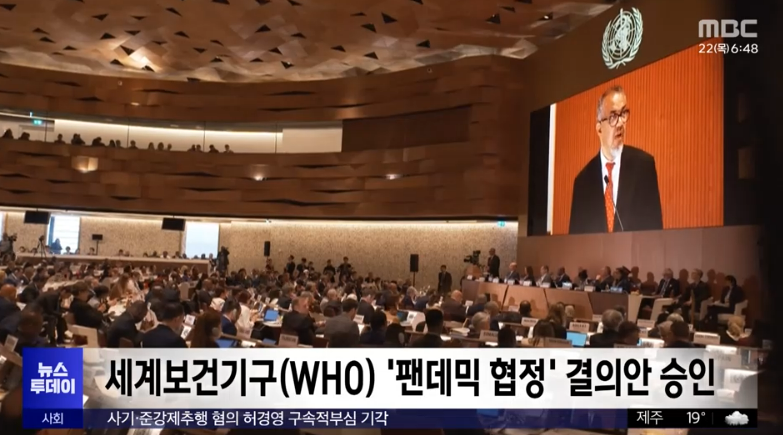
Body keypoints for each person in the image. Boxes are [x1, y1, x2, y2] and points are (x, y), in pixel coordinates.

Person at [569, 86, 662, 234]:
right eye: (613, 117)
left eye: (623, 114)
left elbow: (655, 233)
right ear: (599, 129)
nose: (620, 124)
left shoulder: (644, 168)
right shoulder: (582, 182)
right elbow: (576, 242)